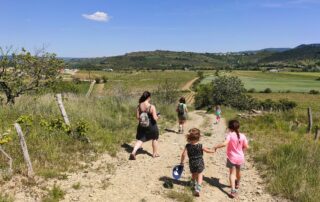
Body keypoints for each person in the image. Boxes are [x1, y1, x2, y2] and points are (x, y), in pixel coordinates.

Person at [213, 120, 249, 198]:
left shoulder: (230, 135)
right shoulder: (243, 135)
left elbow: (224, 144)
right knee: (238, 172)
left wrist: (216, 146)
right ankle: (238, 183)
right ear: (238, 127)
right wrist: (242, 150)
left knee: (232, 174)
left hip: (232, 158)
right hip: (240, 157)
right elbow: (246, 146)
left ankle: (233, 191)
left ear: (229, 128)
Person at [180, 128, 215, 197]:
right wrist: (213, 151)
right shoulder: (200, 145)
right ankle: (198, 188)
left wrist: (182, 162)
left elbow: (183, 155)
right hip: (199, 162)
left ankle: (192, 182)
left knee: (194, 173)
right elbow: (207, 150)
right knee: (200, 174)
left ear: (189, 138)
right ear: (199, 138)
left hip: (192, 162)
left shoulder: (188, 146)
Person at [130, 91, 160, 160]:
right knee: (154, 138)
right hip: (151, 125)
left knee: (141, 139)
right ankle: (154, 153)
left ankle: (133, 152)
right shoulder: (151, 106)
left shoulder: (139, 106)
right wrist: (158, 116)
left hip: (142, 125)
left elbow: (137, 117)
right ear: (149, 97)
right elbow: (155, 118)